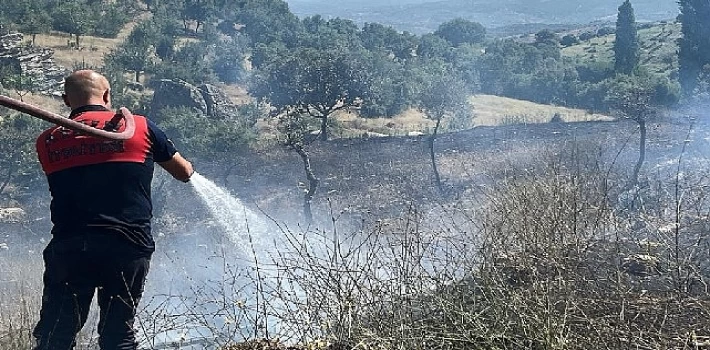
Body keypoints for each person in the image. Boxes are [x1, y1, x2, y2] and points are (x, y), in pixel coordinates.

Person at [32, 70, 194, 350]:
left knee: (56, 335)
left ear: (65, 100)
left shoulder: (48, 140)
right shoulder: (140, 127)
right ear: (107, 96)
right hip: (127, 245)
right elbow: (184, 172)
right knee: (117, 336)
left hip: (71, 248)